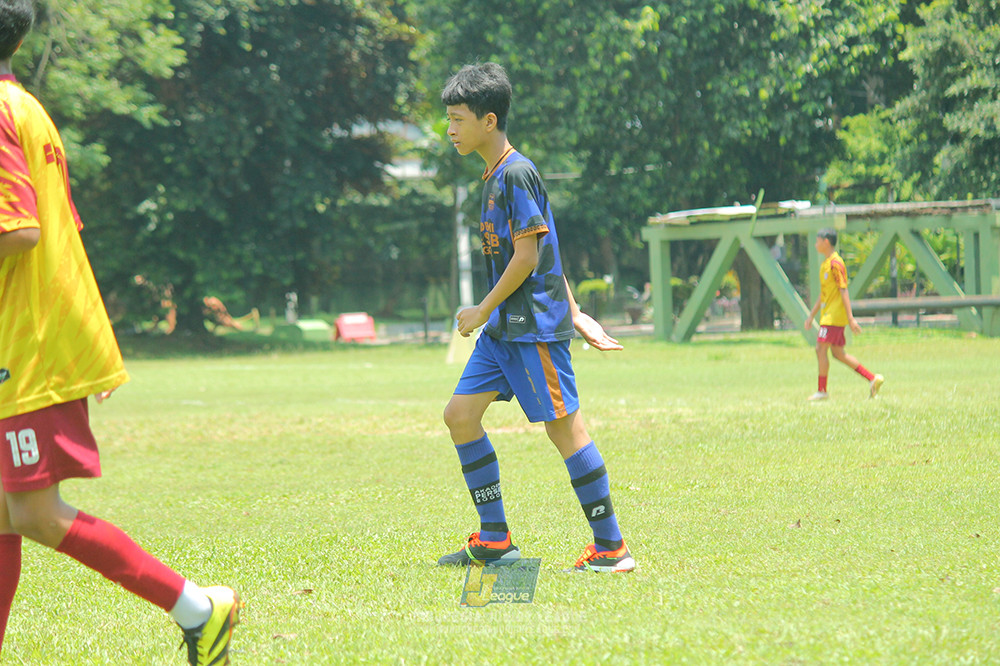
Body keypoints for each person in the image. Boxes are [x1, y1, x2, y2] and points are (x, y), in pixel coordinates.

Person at [0, 2, 239, 663]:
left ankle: (198, 606)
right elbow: (63, 228)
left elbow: (19, 230)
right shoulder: (28, 107)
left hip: (26, 350)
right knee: (4, 516)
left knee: (35, 516)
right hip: (33, 339)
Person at [437, 62, 635, 573]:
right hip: (505, 332)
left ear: (488, 119)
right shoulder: (494, 175)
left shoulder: (516, 172)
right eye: (449, 119)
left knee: (565, 431)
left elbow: (528, 258)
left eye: (458, 118)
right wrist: (577, 310)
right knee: (460, 416)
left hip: (530, 331)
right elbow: (545, 252)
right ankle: (496, 539)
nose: (450, 129)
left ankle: (612, 549)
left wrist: (483, 308)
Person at [804, 228, 885, 400]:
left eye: (817, 240)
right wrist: (811, 315)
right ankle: (872, 379)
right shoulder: (825, 264)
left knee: (820, 348)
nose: (815, 244)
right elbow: (824, 294)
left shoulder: (836, 263)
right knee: (838, 353)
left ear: (826, 242)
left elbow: (843, 290)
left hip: (834, 316)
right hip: (828, 315)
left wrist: (850, 318)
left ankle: (822, 390)